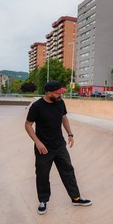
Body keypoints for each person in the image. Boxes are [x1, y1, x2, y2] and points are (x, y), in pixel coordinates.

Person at [25, 80, 92, 215]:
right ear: (49, 93)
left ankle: (76, 198)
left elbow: (64, 118)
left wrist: (70, 134)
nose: (60, 95)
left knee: (68, 171)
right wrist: (37, 142)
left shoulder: (60, 102)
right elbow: (28, 125)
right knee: (42, 175)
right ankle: (43, 200)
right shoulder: (37, 106)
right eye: (58, 93)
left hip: (59, 145)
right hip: (43, 148)